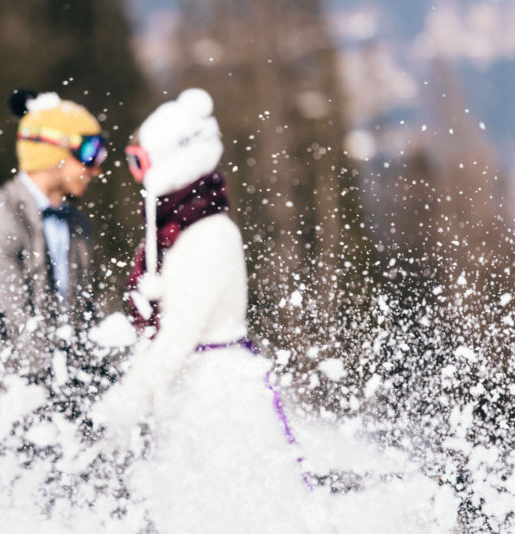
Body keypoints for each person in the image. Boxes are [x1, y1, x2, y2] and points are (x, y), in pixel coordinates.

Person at [93, 89, 315, 532]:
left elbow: (180, 332)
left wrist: (128, 398)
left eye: (140, 161)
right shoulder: (171, 232)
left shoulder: (211, 234)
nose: (135, 174)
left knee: (222, 510)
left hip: (220, 399)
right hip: (185, 396)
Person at [0, 90, 107, 385]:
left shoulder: (78, 226)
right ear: (53, 149)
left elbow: (82, 317)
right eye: (89, 152)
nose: (96, 168)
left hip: (54, 395)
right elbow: (18, 320)